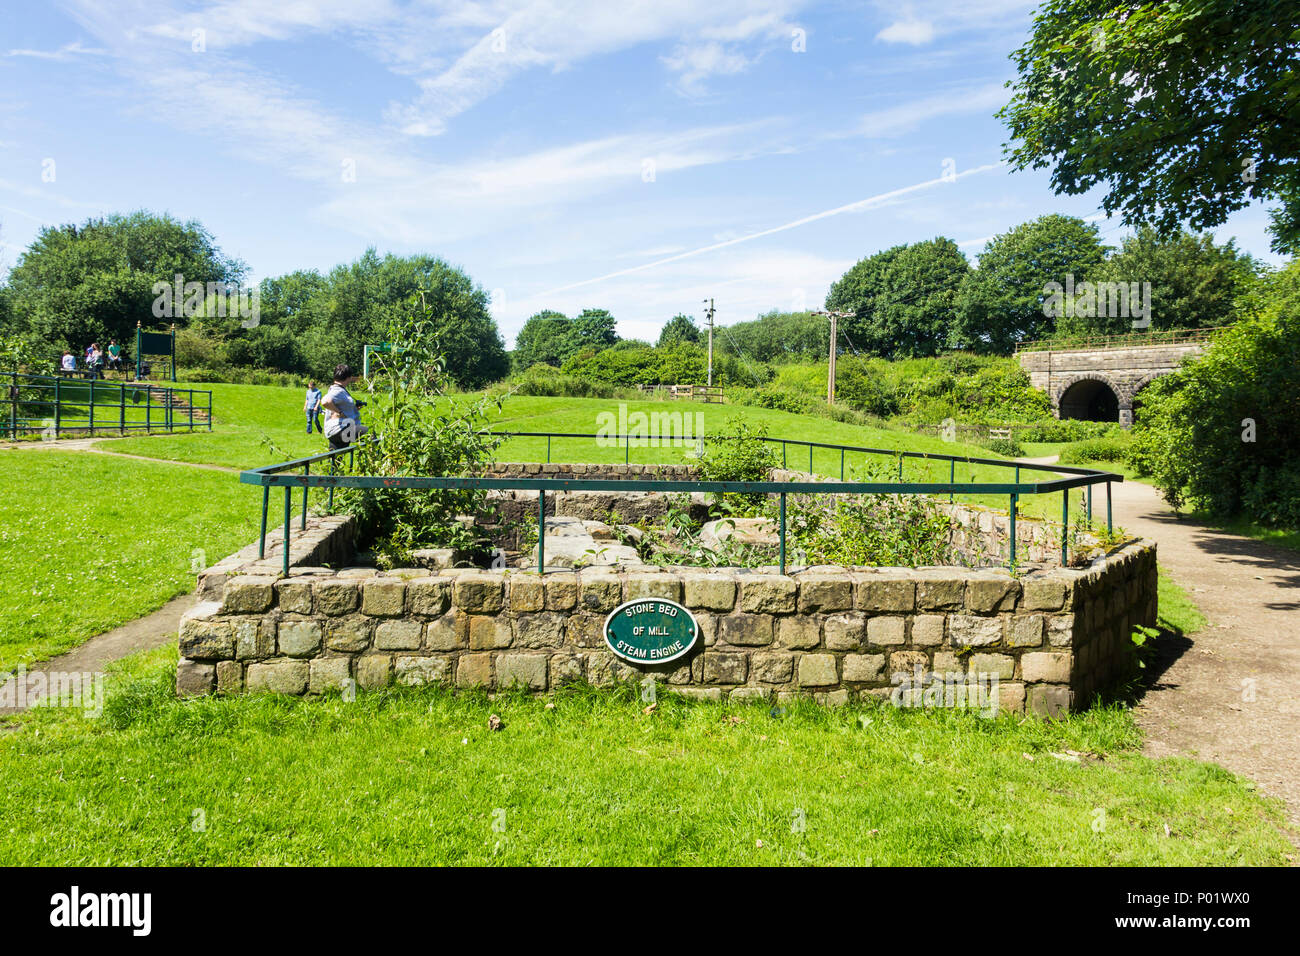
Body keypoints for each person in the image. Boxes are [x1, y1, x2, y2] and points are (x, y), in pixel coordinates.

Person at [321, 364, 367, 449]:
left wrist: (353, 409)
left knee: (337, 459)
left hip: (333, 432)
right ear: (348, 377)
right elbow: (325, 401)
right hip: (340, 429)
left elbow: (337, 404)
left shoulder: (337, 389)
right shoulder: (337, 390)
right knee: (369, 434)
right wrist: (339, 412)